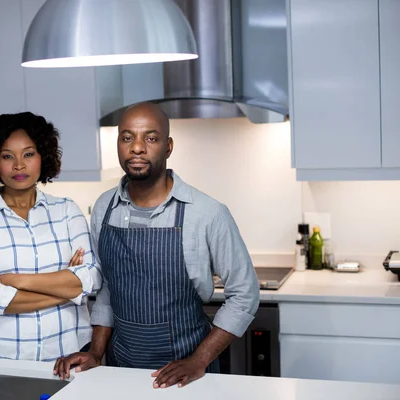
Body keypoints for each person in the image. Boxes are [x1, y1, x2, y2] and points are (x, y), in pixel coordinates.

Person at [53, 102, 259, 388]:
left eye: (150, 138)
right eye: (127, 138)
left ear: (168, 146)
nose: (137, 148)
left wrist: (199, 360)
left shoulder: (207, 212)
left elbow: (245, 295)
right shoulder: (105, 207)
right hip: (120, 370)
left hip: (187, 376)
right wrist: (96, 353)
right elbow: (108, 289)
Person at [0, 111, 102, 361]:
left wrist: (16, 280)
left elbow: (91, 278)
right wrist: (67, 290)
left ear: (42, 157)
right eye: (7, 156)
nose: (19, 165)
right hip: (6, 359)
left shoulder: (67, 210)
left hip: (70, 353)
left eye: (28, 154)